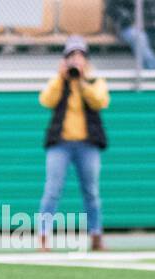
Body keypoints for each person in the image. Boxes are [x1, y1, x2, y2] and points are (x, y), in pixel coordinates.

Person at [38, 36, 109, 252]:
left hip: (88, 145)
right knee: (52, 190)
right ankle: (43, 236)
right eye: (71, 57)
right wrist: (62, 78)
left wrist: (82, 82)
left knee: (91, 192)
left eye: (80, 56)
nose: (76, 61)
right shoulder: (59, 81)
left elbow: (100, 102)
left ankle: (96, 235)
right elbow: (46, 100)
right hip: (61, 144)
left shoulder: (95, 80)